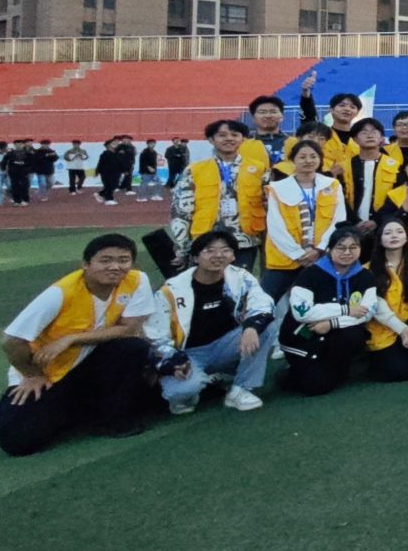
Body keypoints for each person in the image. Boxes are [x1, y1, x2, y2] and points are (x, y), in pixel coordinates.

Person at [0, 233, 156, 456]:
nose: (115, 267)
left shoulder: (137, 280)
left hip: (88, 362)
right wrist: (32, 375)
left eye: (123, 260)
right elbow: (11, 340)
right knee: (17, 443)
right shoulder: (60, 293)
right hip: (49, 372)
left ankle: (109, 418)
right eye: (105, 260)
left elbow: (128, 328)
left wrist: (71, 339)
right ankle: (8, 414)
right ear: (86, 264)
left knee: (133, 348)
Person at [147, 230, 278, 413]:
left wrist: (251, 327)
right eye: (209, 251)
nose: (218, 255)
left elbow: (263, 303)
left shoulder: (240, 277)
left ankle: (241, 388)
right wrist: (172, 361)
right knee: (182, 393)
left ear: (233, 256)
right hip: (188, 352)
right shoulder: (172, 290)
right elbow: (155, 334)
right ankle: (204, 381)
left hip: (226, 344)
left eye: (225, 250)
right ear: (195, 257)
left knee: (266, 326)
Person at [279, 228, 408, 394]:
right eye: (341, 247)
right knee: (315, 388)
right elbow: (302, 313)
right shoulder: (310, 274)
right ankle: (290, 372)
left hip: (334, 332)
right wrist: (345, 309)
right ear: (329, 249)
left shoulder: (365, 276)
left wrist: (332, 323)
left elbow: (366, 312)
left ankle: (334, 367)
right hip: (303, 336)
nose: (347, 252)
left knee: (354, 336)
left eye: (353, 247)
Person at [263, 140, 346, 323]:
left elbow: (338, 219)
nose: (308, 161)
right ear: (292, 160)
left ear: (320, 159)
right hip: (285, 258)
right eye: (302, 157)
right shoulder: (278, 188)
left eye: (313, 156)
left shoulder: (332, 184)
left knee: (321, 302)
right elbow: (275, 226)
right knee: (266, 301)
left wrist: (319, 249)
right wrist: (298, 254)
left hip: (321, 256)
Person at [168, 119, 270, 267]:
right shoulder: (195, 170)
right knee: (205, 281)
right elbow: (181, 211)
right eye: (222, 135)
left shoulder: (259, 169)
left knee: (238, 281)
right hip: (205, 241)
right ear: (211, 140)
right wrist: (182, 247)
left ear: (243, 139)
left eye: (235, 135)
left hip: (245, 241)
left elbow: (268, 207)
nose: (229, 138)